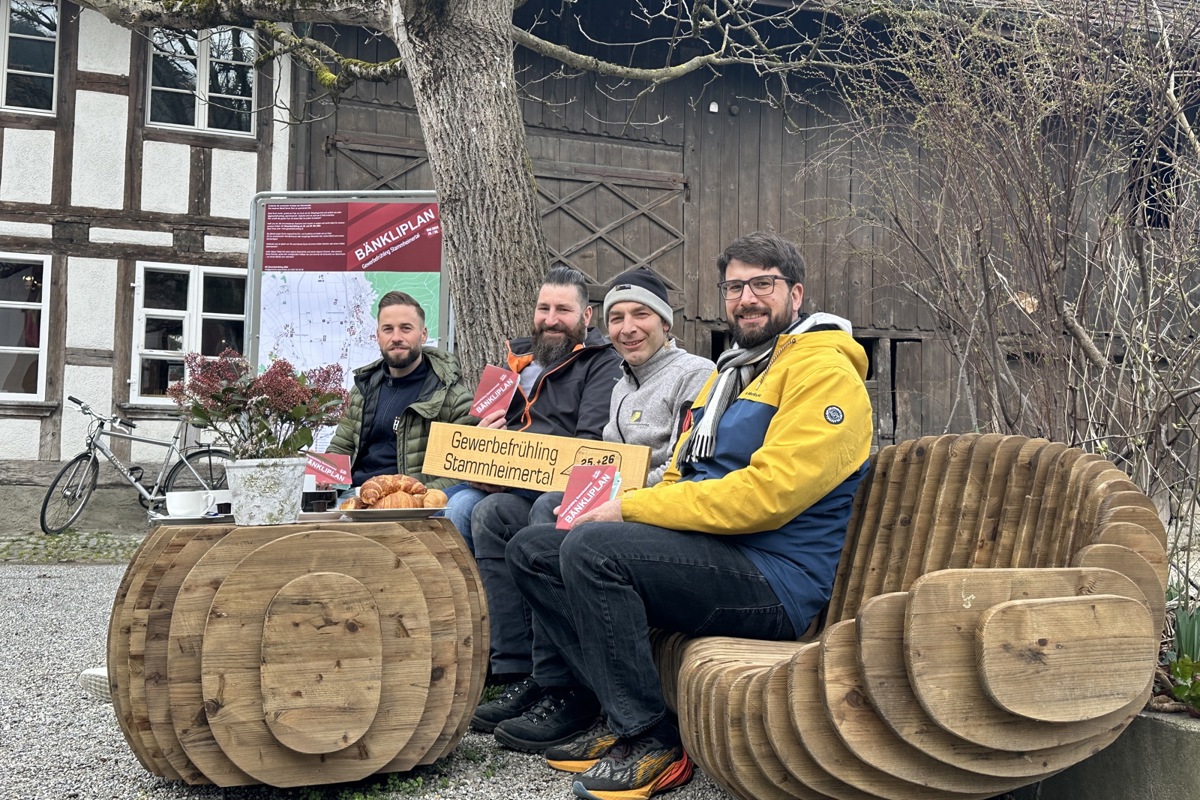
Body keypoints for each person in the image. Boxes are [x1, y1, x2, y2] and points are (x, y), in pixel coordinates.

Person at [503, 232, 874, 800]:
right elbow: (681, 472)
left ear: (795, 294)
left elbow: (767, 496)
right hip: (716, 554)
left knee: (593, 548)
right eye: (734, 287)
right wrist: (626, 509)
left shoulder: (825, 374)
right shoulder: (737, 373)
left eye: (762, 284)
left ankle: (652, 741)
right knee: (534, 548)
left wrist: (630, 508)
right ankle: (614, 712)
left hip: (776, 578)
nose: (746, 298)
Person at [470, 268, 714, 737]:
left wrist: (613, 498)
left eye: (641, 315)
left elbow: (688, 467)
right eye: (618, 317)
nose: (627, 327)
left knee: (548, 510)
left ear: (666, 322)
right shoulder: (625, 383)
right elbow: (603, 463)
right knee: (498, 513)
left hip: (661, 515)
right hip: (620, 505)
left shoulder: (694, 374)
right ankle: (536, 677)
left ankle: (569, 690)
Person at [326, 291, 474, 490]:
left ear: (423, 335)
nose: (396, 337)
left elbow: (459, 473)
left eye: (406, 329)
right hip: (354, 498)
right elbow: (340, 447)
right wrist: (325, 478)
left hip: (408, 504)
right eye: (388, 329)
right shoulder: (363, 389)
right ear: (378, 336)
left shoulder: (452, 398)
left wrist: (410, 497)